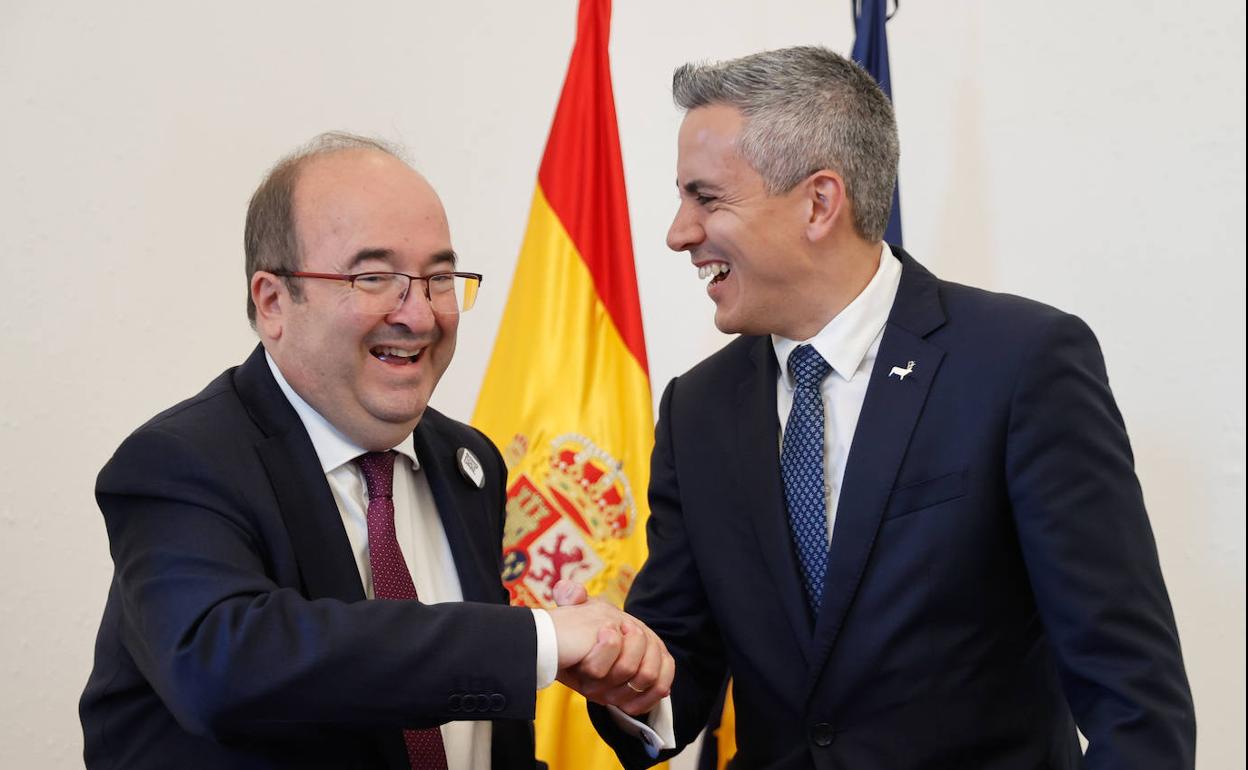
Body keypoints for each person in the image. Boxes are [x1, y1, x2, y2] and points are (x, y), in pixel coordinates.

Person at [581, 47, 1196, 768]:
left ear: (819, 202)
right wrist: (625, 680)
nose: (678, 232)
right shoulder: (698, 410)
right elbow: (677, 669)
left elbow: (1134, 699)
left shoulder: (1020, 364)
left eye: (706, 198)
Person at [79, 132, 671, 770]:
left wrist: (618, 675)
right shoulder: (180, 462)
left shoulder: (467, 462)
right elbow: (223, 666)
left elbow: (477, 744)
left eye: (438, 278)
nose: (418, 315)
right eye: (373, 277)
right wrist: (539, 642)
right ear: (273, 302)